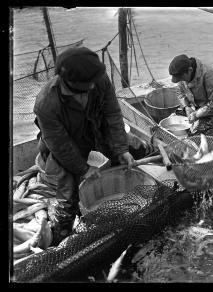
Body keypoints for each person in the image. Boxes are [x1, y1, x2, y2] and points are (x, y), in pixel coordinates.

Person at [33, 46, 150, 242]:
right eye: (89, 84)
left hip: (97, 130)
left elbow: (112, 114)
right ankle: (62, 234)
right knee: (68, 195)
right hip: (65, 145)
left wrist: (121, 148)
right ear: (70, 81)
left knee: (135, 150)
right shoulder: (46, 104)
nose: (95, 87)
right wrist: (82, 168)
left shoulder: (98, 79)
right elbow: (60, 145)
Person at [168, 54, 213, 134]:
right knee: (172, 119)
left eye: (181, 78)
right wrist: (186, 107)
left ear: (190, 70)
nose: (180, 81)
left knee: (194, 132)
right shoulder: (181, 74)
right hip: (197, 107)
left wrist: (196, 114)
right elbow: (179, 92)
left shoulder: (210, 75)